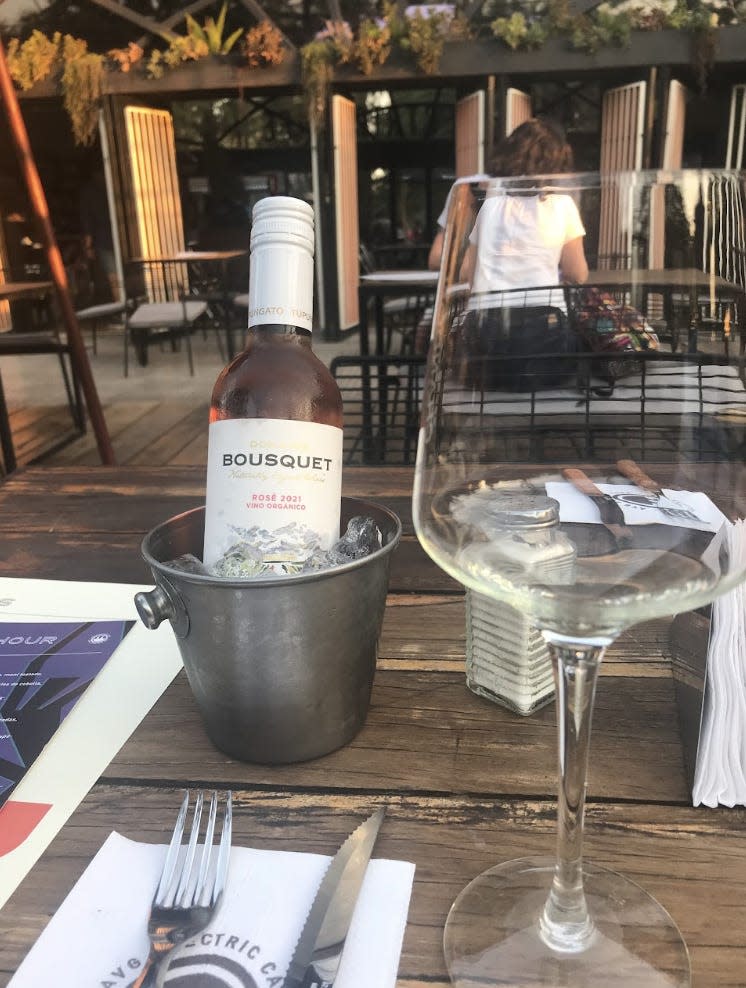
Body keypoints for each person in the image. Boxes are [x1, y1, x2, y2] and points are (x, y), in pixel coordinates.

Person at [458, 117, 589, 389]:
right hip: (544, 338)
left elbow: (466, 274)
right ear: (557, 161)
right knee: (585, 343)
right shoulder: (562, 205)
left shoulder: (490, 206)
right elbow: (578, 274)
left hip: (487, 343)